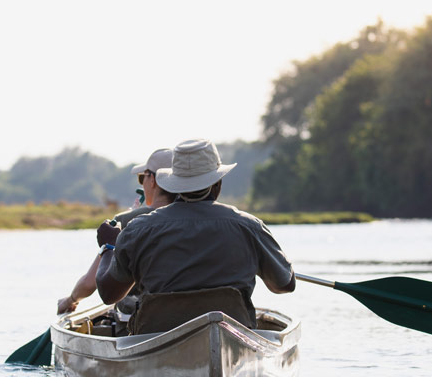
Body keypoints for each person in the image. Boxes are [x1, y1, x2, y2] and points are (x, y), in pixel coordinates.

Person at [95, 139, 295, 332]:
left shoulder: (137, 230)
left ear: (173, 184)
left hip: (155, 336)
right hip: (234, 334)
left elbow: (109, 294)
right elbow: (285, 284)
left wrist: (109, 247)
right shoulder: (249, 226)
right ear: (217, 184)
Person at [57, 148, 176, 315]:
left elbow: (90, 283)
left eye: (142, 178)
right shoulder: (195, 218)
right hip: (186, 314)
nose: (141, 183)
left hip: (139, 318)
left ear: (153, 180)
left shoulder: (125, 221)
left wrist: (70, 300)